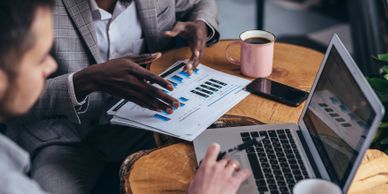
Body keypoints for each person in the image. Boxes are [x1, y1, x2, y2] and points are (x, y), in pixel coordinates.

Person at [1, 2, 250, 194]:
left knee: (234, 168)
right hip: (64, 136)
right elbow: (12, 96)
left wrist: (201, 23)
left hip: (150, 122)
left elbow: (201, 3)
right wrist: (84, 81)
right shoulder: (32, 11)